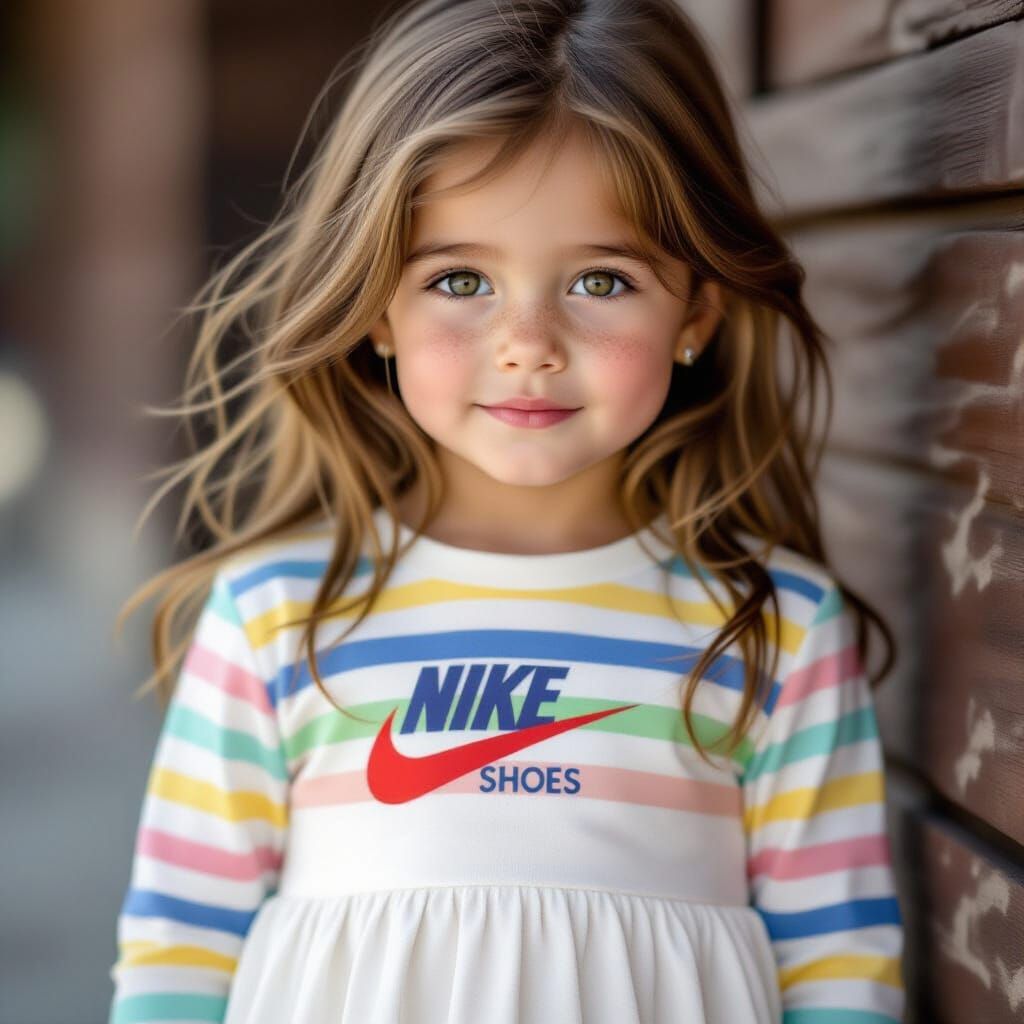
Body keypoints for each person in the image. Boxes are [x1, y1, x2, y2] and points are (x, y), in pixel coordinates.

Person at [106, 0, 906, 1021]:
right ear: (376, 307)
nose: (528, 340)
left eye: (601, 279)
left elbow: (838, 971)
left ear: (696, 313)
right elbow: (178, 952)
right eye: (462, 278)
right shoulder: (273, 614)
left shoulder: (774, 627)